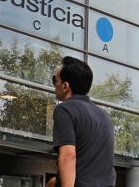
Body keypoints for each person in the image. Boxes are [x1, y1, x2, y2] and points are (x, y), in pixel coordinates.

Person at [49, 57, 115, 187]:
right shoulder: (105, 117)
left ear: (65, 86)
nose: (54, 84)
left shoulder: (65, 110)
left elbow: (68, 156)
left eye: (54, 80)